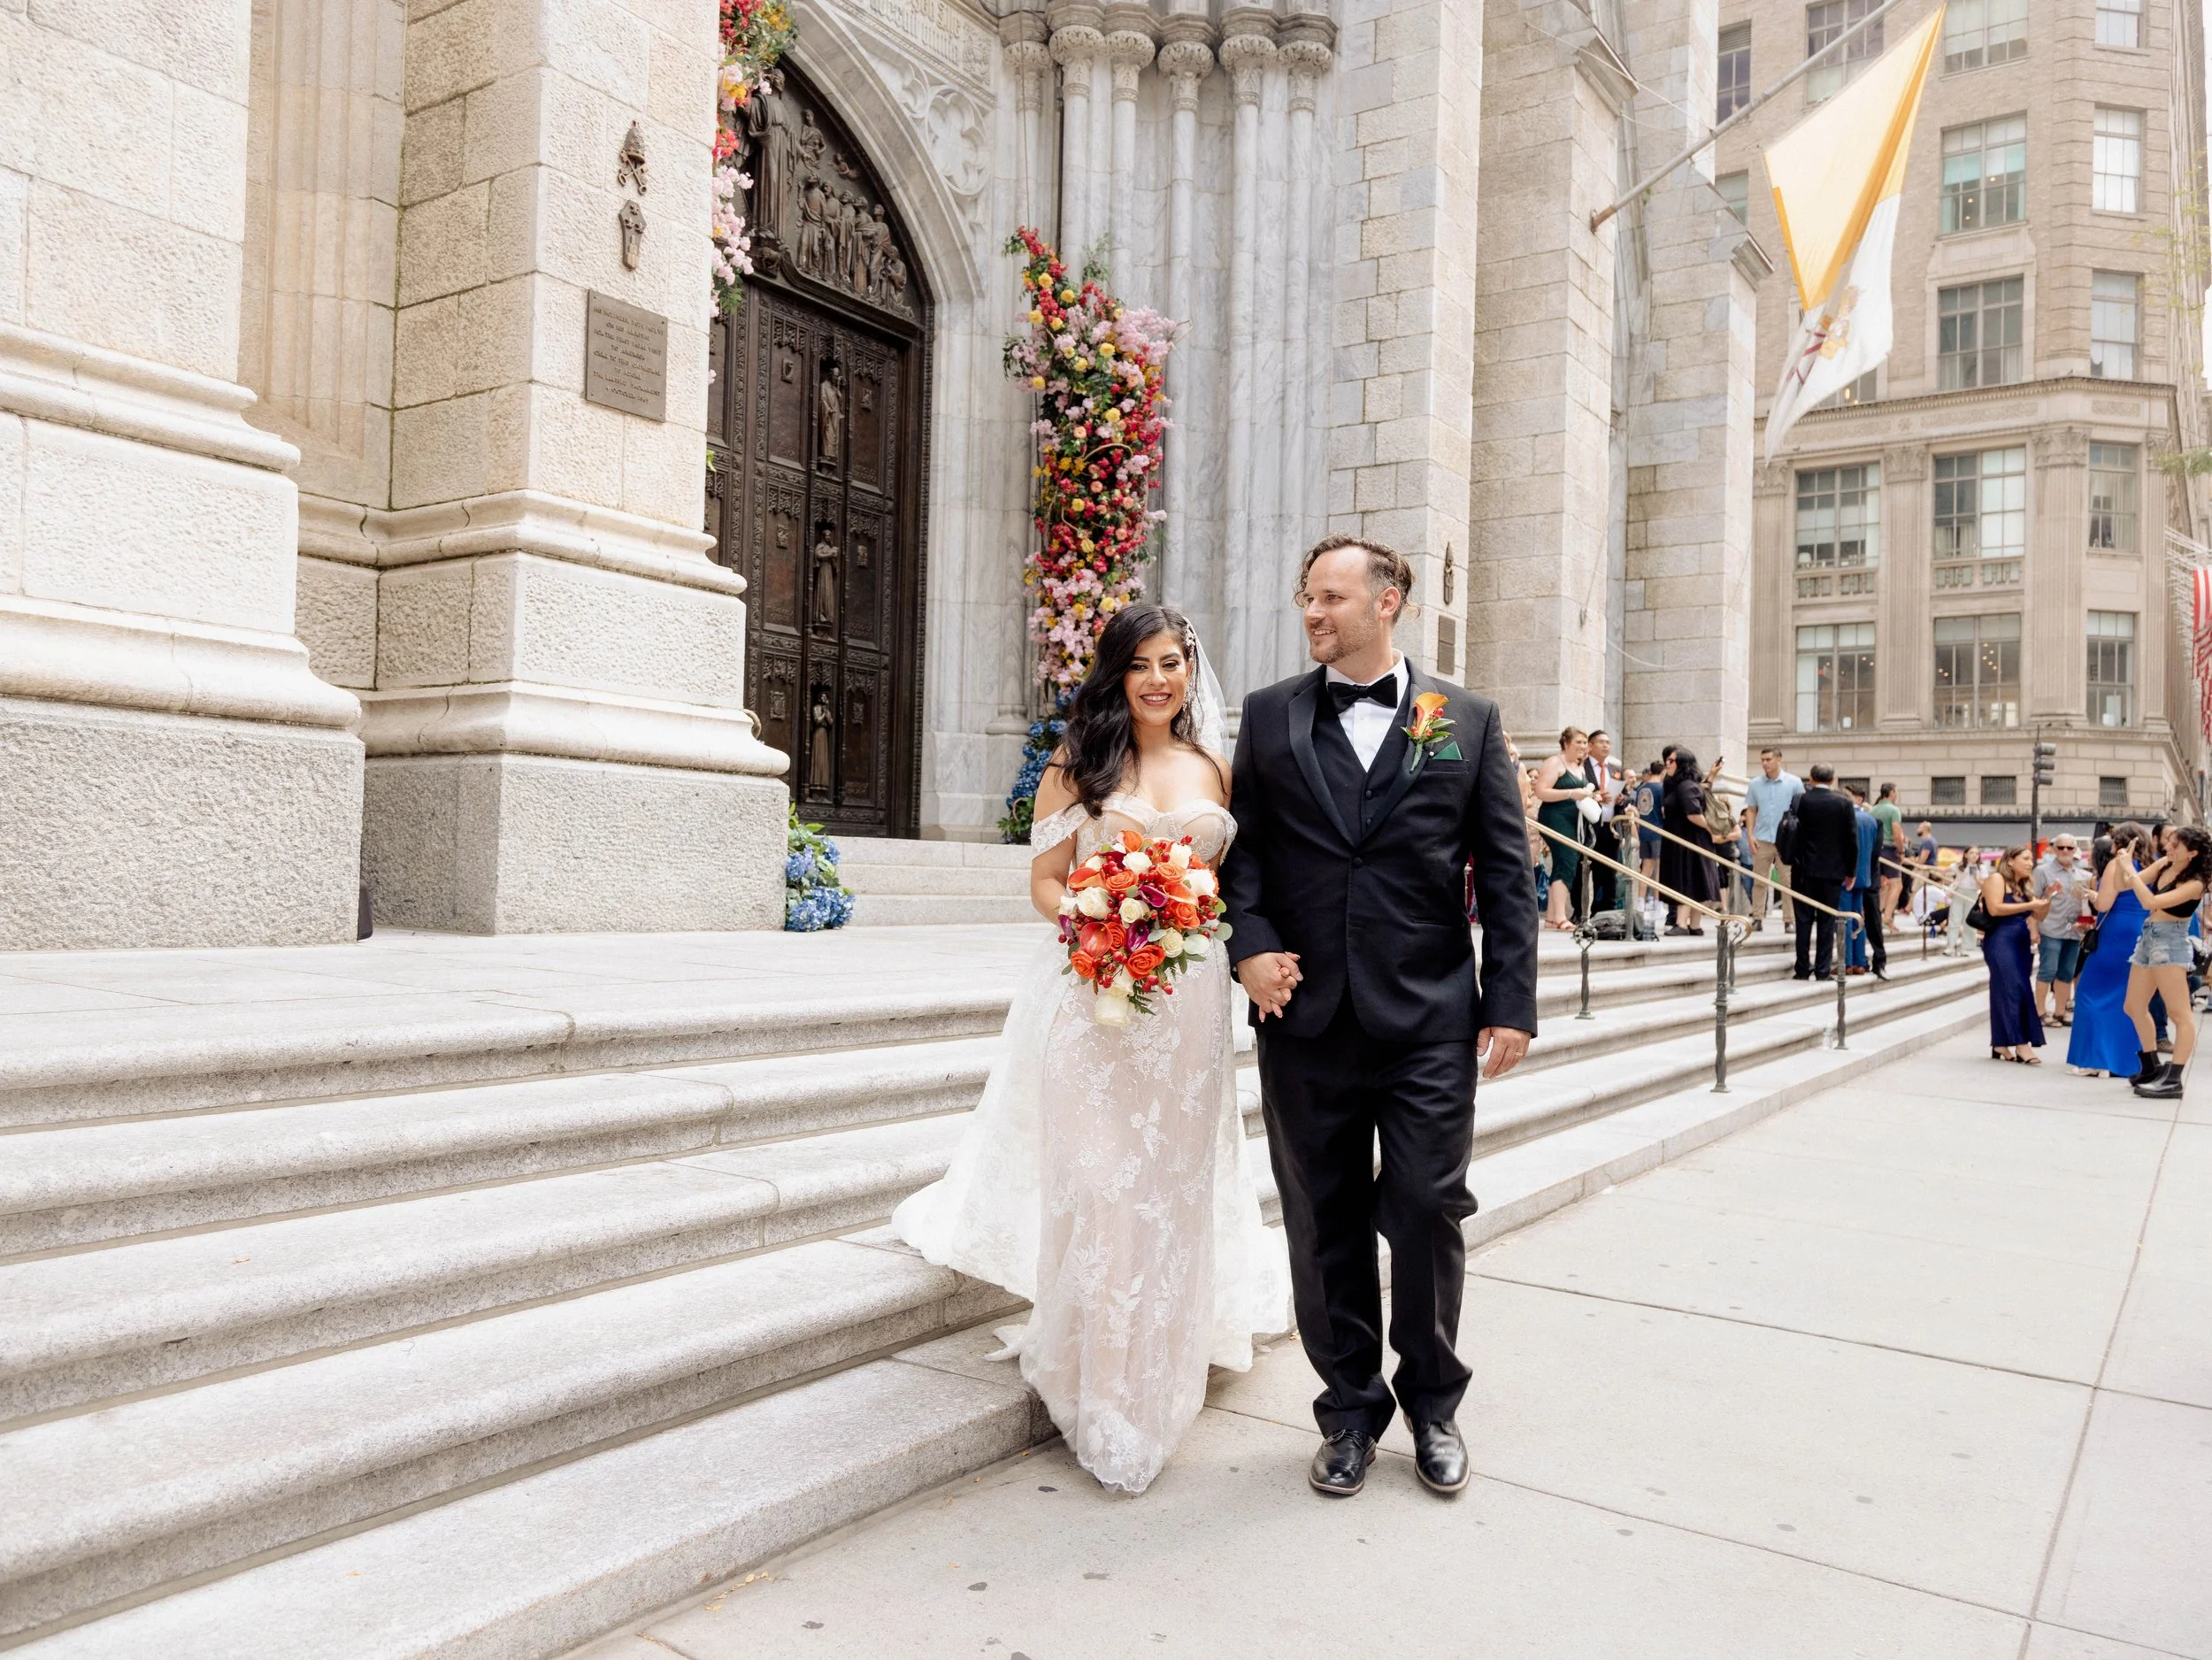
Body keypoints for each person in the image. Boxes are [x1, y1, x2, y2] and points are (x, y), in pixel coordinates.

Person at [893, 603, 1289, 1495]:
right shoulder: (1078, 768)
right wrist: (1096, 918)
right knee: (1102, 1183)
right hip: (1093, 994)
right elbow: (1042, 878)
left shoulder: (1217, 770)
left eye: (1173, 663)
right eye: (1142, 663)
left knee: (1169, 1186)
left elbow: (1229, 884)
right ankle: (1101, 1379)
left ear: (1190, 673)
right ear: (1115, 673)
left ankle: (1160, 1357)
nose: (1159, 678)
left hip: (1184, 1005)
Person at [1221, 534, 1539, 1501]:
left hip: (1429, 1016)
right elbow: (1246, 861)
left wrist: (1510, 1002)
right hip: (1306, 1013)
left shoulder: (1465, 720)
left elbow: (1508, 871)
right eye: (1304, 600)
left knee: (1427, 1205)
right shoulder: (1272, 717)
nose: (1311, 615)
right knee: (1323, 1222)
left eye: (1329, 599)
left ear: (1388, 601)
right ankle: (1350, 1412)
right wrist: (1250, 943)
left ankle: (1434, 1404)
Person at [2118, 823, 2210, 1097]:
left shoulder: (2196, 883)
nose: (2167, 846)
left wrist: (2129, 869)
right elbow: (2127, 883)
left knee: (2179, 1013)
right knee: (2133, 1006)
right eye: (2169, 841)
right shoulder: (2164, 865)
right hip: (2149, 937)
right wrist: (2125, 864)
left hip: (2171, 942)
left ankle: (2174, 1079)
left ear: (2192, 853)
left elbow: (2149, 901)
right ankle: (2151, 1067)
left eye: (2175, 844)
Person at [2069, 825, 2154, 1078]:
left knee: (2091, 992)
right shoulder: (2152, 865)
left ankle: (2096, 1060)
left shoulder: (2116, 865)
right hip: (2141, 930)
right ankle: (2124, 1061)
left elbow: (2105, 902)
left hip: (2116, 931)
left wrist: (2092, 895)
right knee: (2129, 999)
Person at [1789, 764, 1860, 980]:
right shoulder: (1844, 803)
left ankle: (1802, 968)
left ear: (1810, 778)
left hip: (1802, 869)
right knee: (1827, 921)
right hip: (1833, 872)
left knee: (1803, 920)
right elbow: (1851, 840)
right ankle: (1822, 969)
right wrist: (1851, 871)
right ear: (1833, 779)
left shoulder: (1799, 800)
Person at [1979, 844, 2049, 1063]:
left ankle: (2000, 1044)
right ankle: (2021, 1044)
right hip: (1999, 941)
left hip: (2020, 942)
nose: (2030, 863)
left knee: (2005, 988)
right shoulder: (1996, 879)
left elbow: (2039, 916)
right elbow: (1995, 908)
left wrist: (2046, 900)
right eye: (2026, 859)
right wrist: (2030, 904)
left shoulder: (2024, 886)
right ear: (2010, 861)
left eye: (2031, 860)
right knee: (2015, 988)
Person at [1533, 726, 1597, 931]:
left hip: (1575, 820)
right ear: (1566, 743)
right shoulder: (1555, 762)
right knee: (1566, 860)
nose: (1583, 746)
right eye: (1579, 742)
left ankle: (1553, 917)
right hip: (1555, 818)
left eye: (1585, 742)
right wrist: (1571, 793)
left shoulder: (1579, 766)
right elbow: (1541, 791)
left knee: (1567, 862)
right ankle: (1560, 916)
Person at [1659, 749, 1722, 934]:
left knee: (1687, 879)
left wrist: (1711, 829)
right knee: (1695, 879)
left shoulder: (1685, 785)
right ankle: (1694, 925)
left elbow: (1694, 813)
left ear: (1682, 764)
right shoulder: (1682, 784)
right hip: (1688, 839)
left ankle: (1682, 923)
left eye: (1672, 761)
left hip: (1689, 840)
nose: (1667, 763)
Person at [2031, 836, 2091, 1026]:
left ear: (2075, 850)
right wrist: (2033, 928)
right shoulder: (2042, 871)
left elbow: (2088, 904)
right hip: (2050, 927)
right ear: (2054, 849)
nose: (2065, 851)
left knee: (2067, 972)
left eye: (2070, 847)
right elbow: (2033, 900)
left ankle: (2060, 1011)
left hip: (2074, 931)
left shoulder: (2083, 875)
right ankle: (2040, 1012)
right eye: (2061, 847)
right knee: (2047, 970)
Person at [1743, 748, 1804, 932]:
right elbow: (1751, 810)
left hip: (1787, 840)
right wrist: (1750, 835)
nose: (1765, 763)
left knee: (1787, 881)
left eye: (1768, 759)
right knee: (1759, 880)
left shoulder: (1794, 783)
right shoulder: (1755, 784)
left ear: (1779, 760)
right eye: (1762, 759)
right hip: (1762, 838)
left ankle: (1789, 920)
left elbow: (1801, 811)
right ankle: (1757, 917)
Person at [1844, 784, 1887, 980]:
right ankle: (1861, 961)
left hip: (1853, 877)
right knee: (1859, 919)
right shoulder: (1872, 820)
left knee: (1852, 919)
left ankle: (1852, 962)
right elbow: (1875, 852)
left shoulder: (1854, 819)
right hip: (1865, 877)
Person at [1872, 783, 1906, 931]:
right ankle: (1886, 917)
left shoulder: (1873, 809)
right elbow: (1897, 833)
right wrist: (1902, 850)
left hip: (1875, 849)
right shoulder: (1894, 810)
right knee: (1896, 885)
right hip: (1890, 849)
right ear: (1892, 792)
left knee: (1880, 886)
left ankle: (1876, 916)